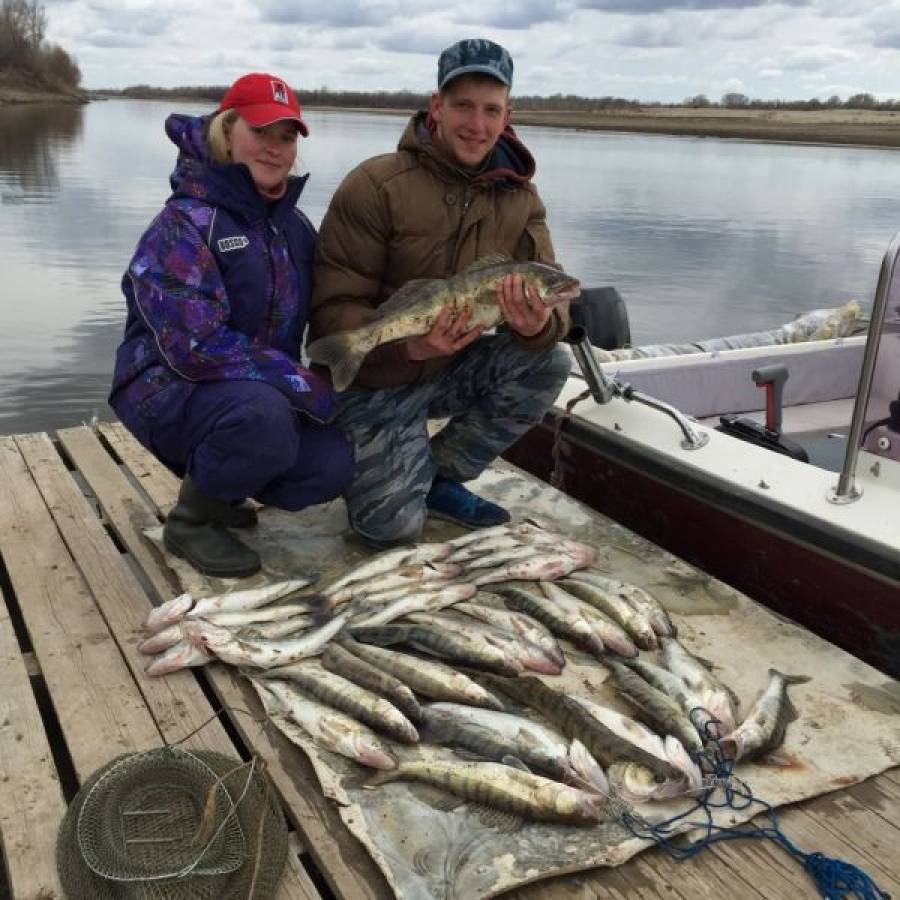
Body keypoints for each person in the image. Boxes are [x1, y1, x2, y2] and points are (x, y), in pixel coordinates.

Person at [310, 38, 572, 547]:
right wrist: (411, 347)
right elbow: (330, 312)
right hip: (376, 378)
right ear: (437, 107)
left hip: (450, 367)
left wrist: (539, 326)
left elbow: (556, 291)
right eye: (463, 106)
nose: (477, 124)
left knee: (550, 362)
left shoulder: (521, 197)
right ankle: (392, 470)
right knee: (389, 530)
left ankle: (437, 478)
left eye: (490, 110)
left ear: (506, 115)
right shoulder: (375, 184)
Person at [109, 72, 352, 578]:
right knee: (262, 419)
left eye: (286, 136)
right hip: (162, 387)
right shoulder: (184, 223)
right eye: (261, 130)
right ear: (227, 130)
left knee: (330, 462)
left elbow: (332, 306)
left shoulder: (294, 227)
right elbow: (194, 346)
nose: (274, 147)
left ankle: (220, 492)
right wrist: (299, 383)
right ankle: (191, 522)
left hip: (252, 394)